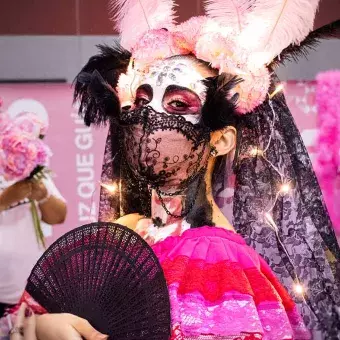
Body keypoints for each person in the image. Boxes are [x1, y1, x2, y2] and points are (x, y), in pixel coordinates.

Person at [5, 1, 340, 339]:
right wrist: (43, 327)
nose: (148, 117)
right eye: (140, 100)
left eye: (178, 104)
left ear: (221, 140)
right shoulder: (121, 234)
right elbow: (26, 322)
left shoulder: (222, 262)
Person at [0, 112, 67, 318]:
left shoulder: (25, 160)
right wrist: (5, 200)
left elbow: (58, 216)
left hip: (36, 288)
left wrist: (43, 194)